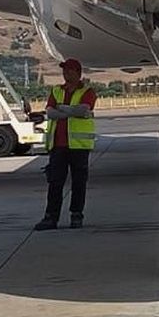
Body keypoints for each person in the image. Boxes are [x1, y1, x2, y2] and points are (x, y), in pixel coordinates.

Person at [34, 58, 97, 230]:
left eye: (69, 71)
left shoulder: (88, 91)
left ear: (78, 73)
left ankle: (76, 215)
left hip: (78, 146)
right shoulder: (56, 90)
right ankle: (50, 217)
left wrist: (62, 109)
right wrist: (69, 112)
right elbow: (50, 113)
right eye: (64, 71)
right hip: (58, 145)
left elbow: (83, 110)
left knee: (78, 182)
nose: (66, 74)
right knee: (55, 183)